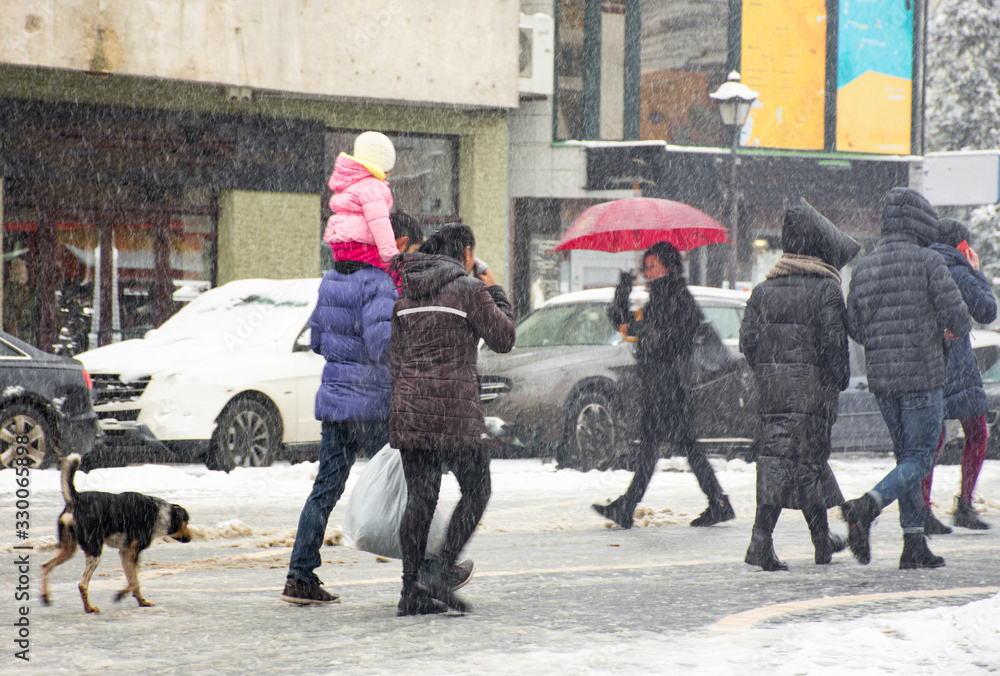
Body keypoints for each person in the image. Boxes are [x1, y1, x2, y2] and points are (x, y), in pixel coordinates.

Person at [281, 212, 421, 605]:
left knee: (325, 489)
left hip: (336, 402)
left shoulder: (331, 281)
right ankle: (427, 570)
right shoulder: (378, 284)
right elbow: (383, 346)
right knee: (413, 482)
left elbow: (317, 342)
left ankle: (299, 576)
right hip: (373, 404)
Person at [842, 187, 972, 569]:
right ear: (920, 221)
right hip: (922, 374)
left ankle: (913, 543)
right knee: (919, 459)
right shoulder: (928, 261)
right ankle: (867, 505)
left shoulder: (865, 266)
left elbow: (854, 325)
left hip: (883, 381)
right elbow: (960, 318)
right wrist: (941, 331)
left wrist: (881, 343)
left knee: (906, 458)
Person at [390, 223, 515, 615]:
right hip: (454, 412)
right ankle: (441, 571)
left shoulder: (406, 293)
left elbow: (394, 358)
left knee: (420, 499)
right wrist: (495, 292)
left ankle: (410, 591)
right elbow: (504, 338)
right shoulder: (469, 290)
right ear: (465, 254)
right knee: (478, 490)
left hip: (411, 410)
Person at [739, 200, 858, 571]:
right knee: (797, 462)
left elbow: (748, 342)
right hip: (811, 394)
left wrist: (771, 372)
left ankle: (821, 541)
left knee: (800, 464)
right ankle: (761, 543)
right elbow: (835, 347)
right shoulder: (825, 289)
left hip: (773, 392)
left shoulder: (763, 291)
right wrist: (836, 381)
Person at [592, 241, 735, 530]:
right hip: (657, 385)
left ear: (667, 266)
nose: (645, 273)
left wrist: (648, 331)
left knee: (662, 447)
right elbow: (622, 323)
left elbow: (679, 338)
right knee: (664, 447)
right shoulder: (656, 298)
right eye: (643, 268)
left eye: (650, 266)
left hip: (670, 386)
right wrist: (623, 288)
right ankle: (716, 502)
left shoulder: (679, 296)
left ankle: (631, 506)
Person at [921, 218, 996, 533]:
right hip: (960, 365)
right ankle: (964, 504)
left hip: (926, 361)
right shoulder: (961, 272)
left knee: (929, 440)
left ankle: (922, 509)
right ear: (962, 246)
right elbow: (987, 311)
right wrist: (977, 271)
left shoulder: (922, 266)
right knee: (977, 434)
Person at [323, 131, 399, 273]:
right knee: (395, 279)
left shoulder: (351, 183)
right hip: (363, 250)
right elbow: (379, 222)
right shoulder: (372, 186)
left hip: (343, 249)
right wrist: (391, 255)